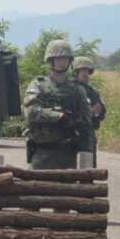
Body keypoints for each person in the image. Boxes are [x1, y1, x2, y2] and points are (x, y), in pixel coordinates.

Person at [24, 40, 94, 169]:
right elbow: (30, 112)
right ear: (50, 60)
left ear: (70, 61)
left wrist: (88, 161)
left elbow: (87, 126)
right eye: (58, 58)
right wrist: (59, 116)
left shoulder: (77, 90)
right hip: (42, 157)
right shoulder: (39, 85)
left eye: (65, 58)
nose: (62, 62)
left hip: (68, 157)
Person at [71, 56, 106, 168]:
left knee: (88, 169)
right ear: (75, 72)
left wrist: (98, 112)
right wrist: (90, 110)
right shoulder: (69, 89)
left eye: (87, 70)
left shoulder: (93, 91)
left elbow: (102, 114)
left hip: (89, 134)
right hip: (72, 134)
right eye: (82, 70)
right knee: (71, 169)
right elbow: (69, 111)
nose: (85, 73)